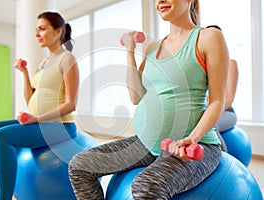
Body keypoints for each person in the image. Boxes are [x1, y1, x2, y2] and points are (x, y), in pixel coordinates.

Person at [68, 0, 229, 199]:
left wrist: (192, 138)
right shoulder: (154, 47)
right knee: (79, 166)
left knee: (146, 187)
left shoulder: (208, 37)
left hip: (195, 145)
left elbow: (217, 101)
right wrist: (129, 51)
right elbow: (136, 96)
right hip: (147, 144)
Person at [0, 11, 79, 200]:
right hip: (36, 123)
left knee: (3, 136)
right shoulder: (44, 62)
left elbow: (71, 104)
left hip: (60, 126)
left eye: (42, 29)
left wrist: (37, 118)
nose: (37, 34)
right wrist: (25, 73)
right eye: (36, 29)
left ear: (58, 31)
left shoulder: (67, 59)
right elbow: (31, 100)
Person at [206, 25, 239, 132]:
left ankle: (219, 150)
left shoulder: (231, 64)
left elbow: (228, 100)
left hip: (226, 111)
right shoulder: (204, 65)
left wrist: (210, 112)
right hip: (205, 112)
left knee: (212, 127)